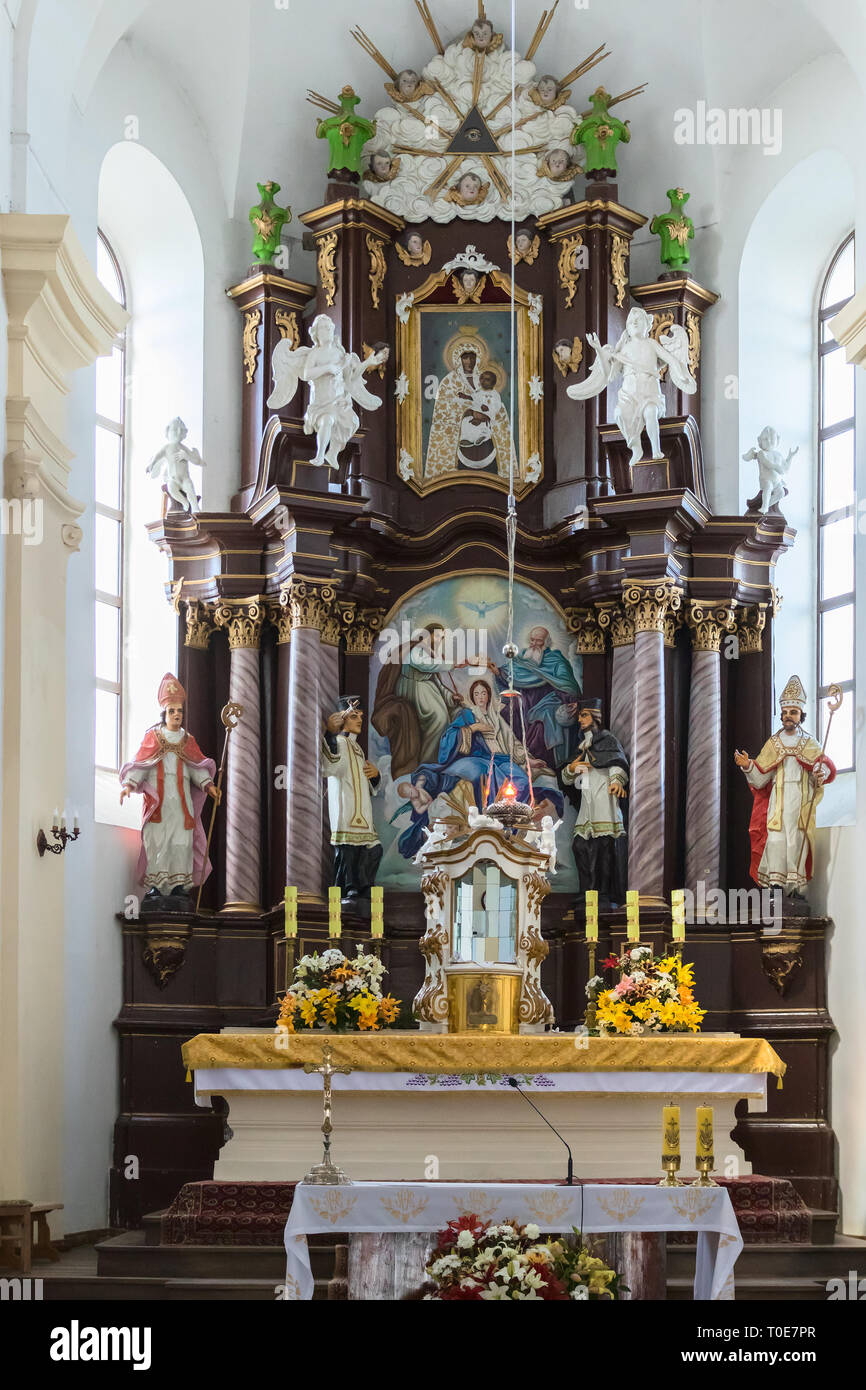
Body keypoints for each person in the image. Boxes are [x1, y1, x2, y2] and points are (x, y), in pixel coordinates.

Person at [119, 673, 219, 906]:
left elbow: (196, 767)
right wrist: (128, 785)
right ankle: (157, 887)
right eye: (172, 711)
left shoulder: (187, 740)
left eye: (180, 711)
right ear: (164, 714)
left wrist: (209, 786)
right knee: (159, 843)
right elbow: (141, 765)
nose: (177, 715)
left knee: (181, 843)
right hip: (159, 806)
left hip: (181, 805)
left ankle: (177, 888)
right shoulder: (153, 737)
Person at [734, 675, 835, 898]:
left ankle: (794, 889)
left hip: (800, 802)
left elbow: (822, 767)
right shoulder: (774, 743)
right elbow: (761, 779)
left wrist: (820, 773)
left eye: (794, 712)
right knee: (777, 839)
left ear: (801, 715)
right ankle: (776, 887)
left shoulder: (809, 743)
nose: (789, 716)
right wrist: (748, 766)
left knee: (796, 841)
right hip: (778, 804)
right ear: (782, 715)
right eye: (786, 712)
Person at [561, 698, 629, 905]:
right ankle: (587, 891)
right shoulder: (582, 746)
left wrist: (617, 781)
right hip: (587, 801)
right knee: (580, 845)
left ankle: (603, 893)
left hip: (603, 798)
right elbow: (566, 777)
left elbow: (617, 763)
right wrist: (571, 769)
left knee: (603, 845)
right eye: (580, 716)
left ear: (595, 717)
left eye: (584, 715)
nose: (580, 720)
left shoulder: (607, 740)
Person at [425, 341, 516, 479]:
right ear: (458, 359)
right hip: (462, 442)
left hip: (487, 443)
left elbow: (494, 400)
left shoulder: (484, 377)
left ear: (477, 358)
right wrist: (471, 412)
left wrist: (488, 413)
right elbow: (444, 407)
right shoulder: (449, 381)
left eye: (472, 357)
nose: (469, 361)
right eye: (465, 357)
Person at [322, 697, 383, 901]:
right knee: (348, 850)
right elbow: (330, 766)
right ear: (342, 719)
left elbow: (365, 781)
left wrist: (375, 776)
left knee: (373, 848)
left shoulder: (357, 748)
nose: (359, 721)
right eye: (354, 716)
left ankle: (364, 884)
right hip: (345, 806)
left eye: (361, 717)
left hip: (362, 809)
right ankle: (349, 886)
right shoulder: (339, 743)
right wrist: (330, 734)